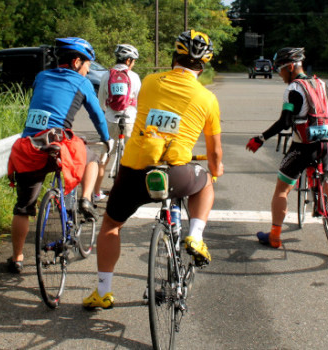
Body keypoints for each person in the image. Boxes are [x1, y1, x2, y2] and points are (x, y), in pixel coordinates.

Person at [83, 29, 224, 309]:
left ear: (174, 57)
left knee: (111, 226)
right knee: (206, 181)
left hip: (135, 170)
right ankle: (195, 236)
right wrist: (216, 169)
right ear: (203, 66)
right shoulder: (207, 99)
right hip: (178, 172)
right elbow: (215, 152)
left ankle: (103, 292)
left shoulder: (148, 81)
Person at [7, 37, 112, 274]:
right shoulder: (81, 82)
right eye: (87, 65)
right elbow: (96, 114)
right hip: (57, 143)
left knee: (23, 207)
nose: (87, 70)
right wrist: (106, 138)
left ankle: (17, 258)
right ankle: (86, 198)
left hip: (28, 146)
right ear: (76, 62)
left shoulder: (41, 76)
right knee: (92, 157)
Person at [245, 47, 328, 249]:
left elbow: (285, 122)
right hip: (324, 142)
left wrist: (261, 138)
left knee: (281, 190)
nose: (278, 74)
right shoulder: (322, 84)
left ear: (290, 67)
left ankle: (274, 236)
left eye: (280, 69)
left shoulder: (294, 89)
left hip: (302, 147)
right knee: (326, 173)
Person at [95, 43, 142, 200]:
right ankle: (131, 191)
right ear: (128, 60)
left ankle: (95, 193)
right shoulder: (134, 77)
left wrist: (107, 110)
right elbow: (140, 100)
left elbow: (101, 101)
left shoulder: (106, 75)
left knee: (105, 155)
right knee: (132, 155)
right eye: (133, 61)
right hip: (130, 120)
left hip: (110, 120)